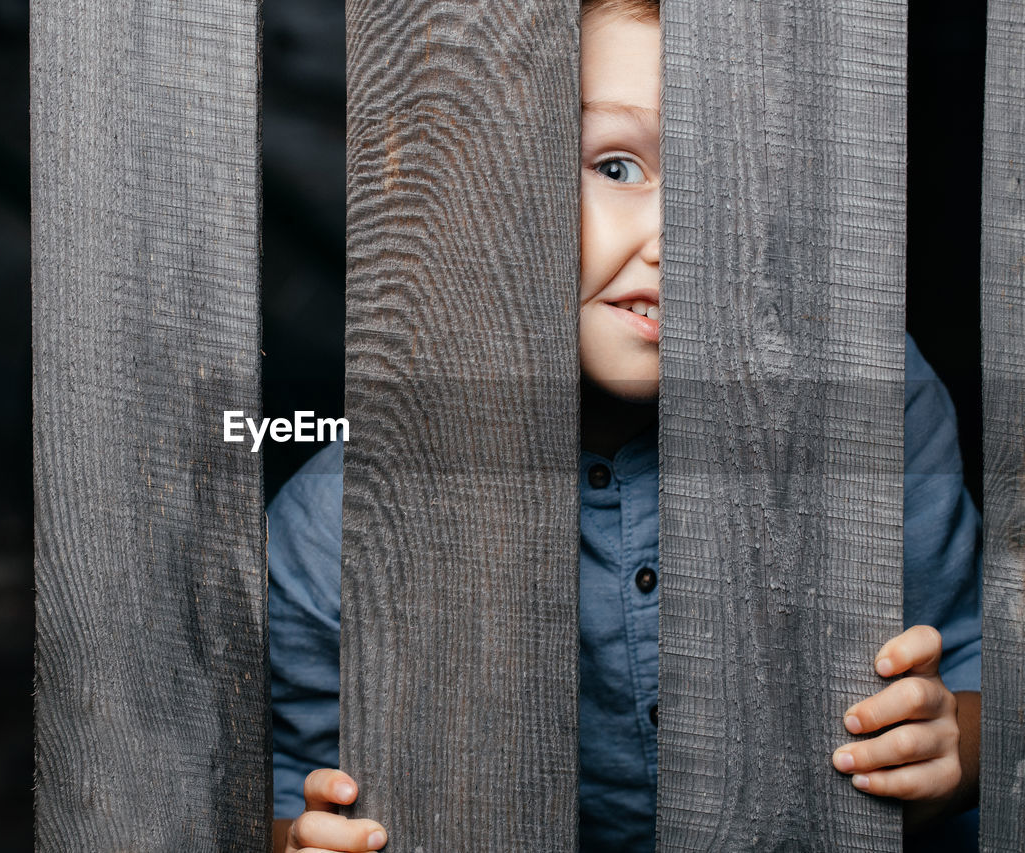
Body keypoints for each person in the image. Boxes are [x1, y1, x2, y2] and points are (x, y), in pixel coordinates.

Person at [267, 1, 983, 849]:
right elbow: (282, 787)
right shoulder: (338, 518)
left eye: (726, 179)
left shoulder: (876, 397)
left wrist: (952, 752)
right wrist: (303, 839)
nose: (676, 235)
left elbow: (977, 670)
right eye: (615, 167)